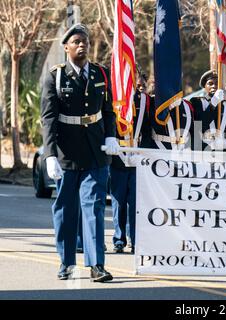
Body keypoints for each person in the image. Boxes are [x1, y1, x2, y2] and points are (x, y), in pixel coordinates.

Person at [40, 23, 120, 282]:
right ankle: (66, 262)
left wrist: (111, 135)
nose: (82, 44)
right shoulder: (56, 76)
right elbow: (49, 117)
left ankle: (96, 264)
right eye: (76, 41)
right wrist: (49, 154)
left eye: (84, 40)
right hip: (66, 153)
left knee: (94, 207)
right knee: (65, 208)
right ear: (66, 47)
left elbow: (108, 110)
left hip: (95, 151)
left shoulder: (101, 73)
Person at [109, 70, 152, 255]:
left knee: (136, 203)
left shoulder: (145, 101)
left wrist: (142, 153)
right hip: (118, 158)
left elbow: (149, 130)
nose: (137, 85)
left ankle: (136, 239)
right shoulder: (115, 100)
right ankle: (119, 239)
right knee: (118, 202)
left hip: (137, 158)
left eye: (140, 83)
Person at [189, 70, 226, 151]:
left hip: (224, 151)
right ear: (205, 87)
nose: (214, 86)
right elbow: (199, 126)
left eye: (217, 83)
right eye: (210, 83)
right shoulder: (197, 102)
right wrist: (213, 102)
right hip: (204, 150)